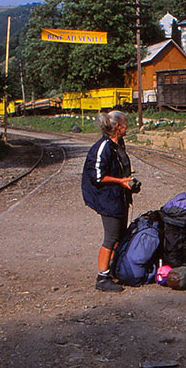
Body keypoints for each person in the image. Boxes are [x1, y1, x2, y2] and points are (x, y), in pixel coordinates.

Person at [81, 110, 139, 292]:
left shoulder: (118, 144)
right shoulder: (103, 147)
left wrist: (128, 183)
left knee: (120, 236)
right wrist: (120, 181)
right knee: (111, 237)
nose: (126, 128)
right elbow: (97, 176)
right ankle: (102, 277)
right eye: (124, 125)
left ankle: (113, 269)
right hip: (106, 198)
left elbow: (120, 169)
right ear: (116, 127)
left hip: (118, 196)